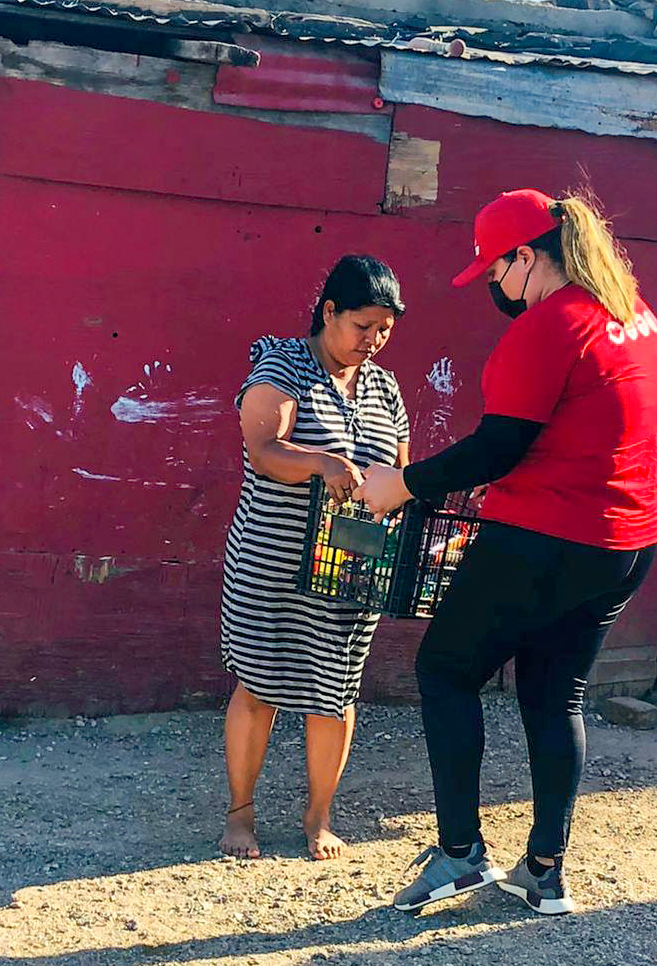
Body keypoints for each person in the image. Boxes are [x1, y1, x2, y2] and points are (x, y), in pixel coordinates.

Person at [357, 189, 657, 915]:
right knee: (553, 696)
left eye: (494, 273)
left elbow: (499, 446)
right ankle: (543, 871)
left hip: (548, 536)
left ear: (526, 257)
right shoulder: (634, 316)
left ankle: (461, 855)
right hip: (627, 540)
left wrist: (400, 484)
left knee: (444, 670)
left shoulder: (551, 326)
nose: (493, 288)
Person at [219, 255, 411, 861]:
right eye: (362, 325)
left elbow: (400, 471)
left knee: (336, 693)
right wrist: (321, 462)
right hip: (271, 562)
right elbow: (263, 449)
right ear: (329, 312)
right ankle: (241, 813)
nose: (373, 340)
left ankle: (319, 817)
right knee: (259, 687)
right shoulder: (282, 364)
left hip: (350, 573)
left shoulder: (385, 387)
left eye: (384, 329)